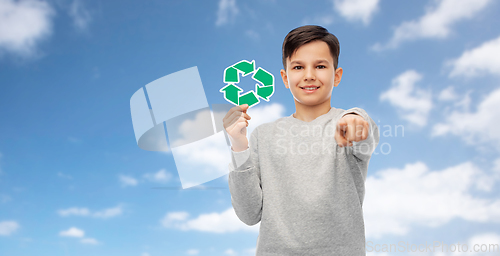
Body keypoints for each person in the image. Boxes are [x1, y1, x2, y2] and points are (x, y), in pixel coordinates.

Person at [223, 25, 380, 256]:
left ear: (336, 76)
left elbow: (365, 131)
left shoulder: (346, 125)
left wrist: (355, 119)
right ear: (285, 78)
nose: (309, 75)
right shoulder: (262, 136)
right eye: (298, 67)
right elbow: (249, 214)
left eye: (320, 66)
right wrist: (238, 146)